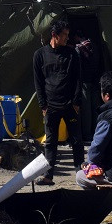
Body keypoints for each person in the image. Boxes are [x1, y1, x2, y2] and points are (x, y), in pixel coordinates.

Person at [33, 19, 82, 184]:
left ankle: (80, 173)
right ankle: (48, 175)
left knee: (76, 140)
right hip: (51, 106)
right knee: (51, 141)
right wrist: (43, 105)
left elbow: (77, 79)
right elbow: (38, 82)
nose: (67, 38)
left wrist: (76, 102)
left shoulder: (71, 54)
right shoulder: (40, 55)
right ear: (54, 35)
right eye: (65, 35)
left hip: (69, 105)